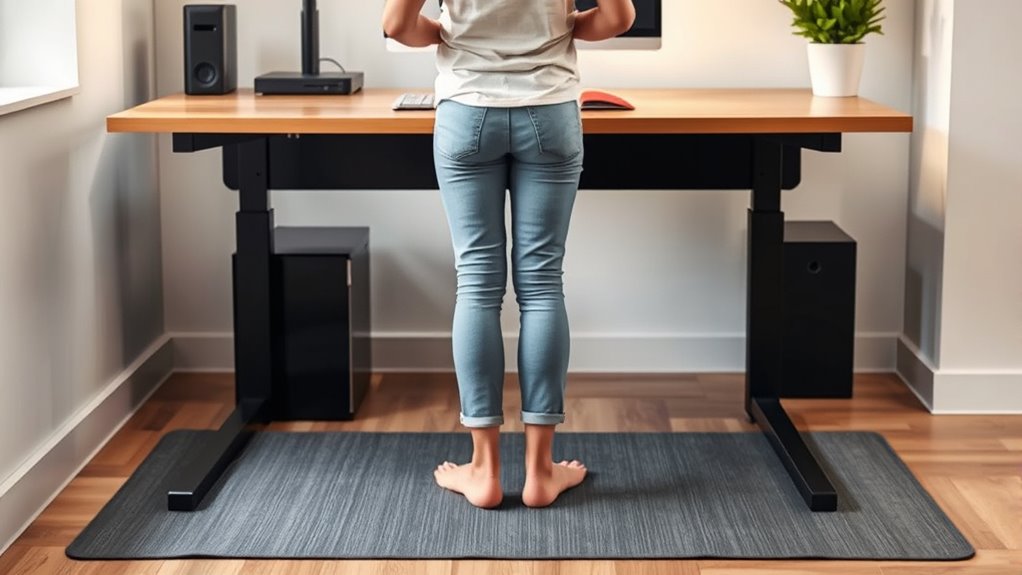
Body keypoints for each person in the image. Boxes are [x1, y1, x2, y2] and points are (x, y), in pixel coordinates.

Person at [382, 0, 636, 509]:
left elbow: (398, 26)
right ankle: (540, 472)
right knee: (541, 285)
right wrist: (562, 27)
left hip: (466, 110)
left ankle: (484, 471)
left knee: (477, 285)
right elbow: (617, 19)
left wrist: (449, 33)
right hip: (550, 109)